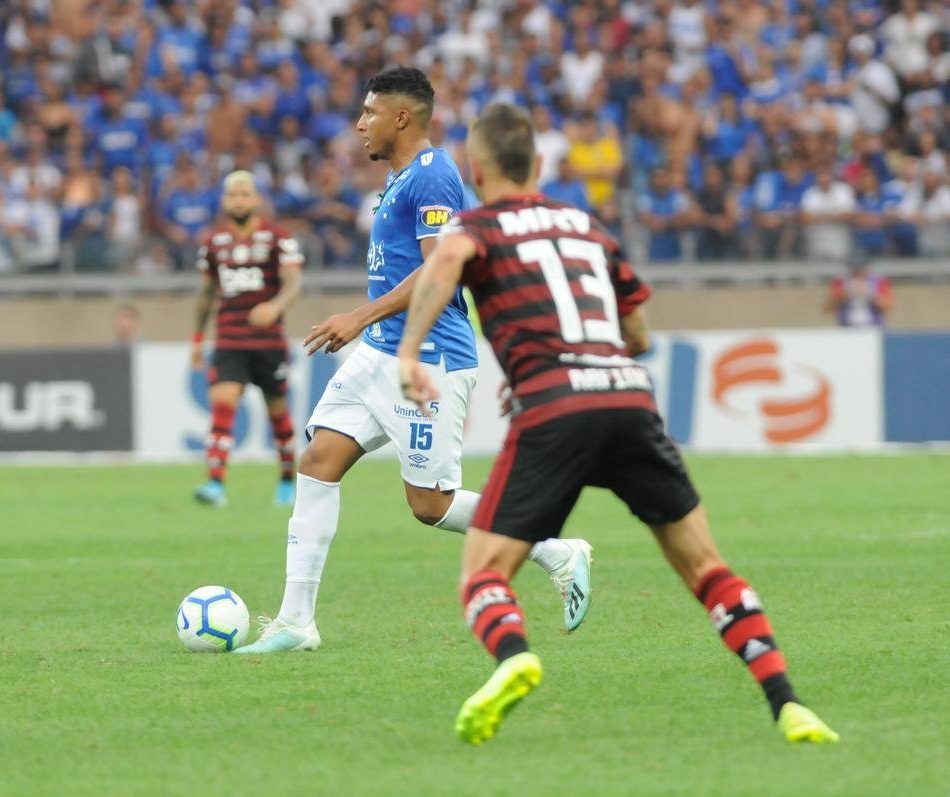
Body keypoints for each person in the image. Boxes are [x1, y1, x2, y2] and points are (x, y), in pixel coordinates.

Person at [397, 103, 838, 747]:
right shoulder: (588, 227)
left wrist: (410, 353)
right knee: (707, 570)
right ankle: (788, 703)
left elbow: (444, 262)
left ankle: (514, 656)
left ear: (477, 170)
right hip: (628, 399)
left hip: (554, 407)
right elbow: (639, 334)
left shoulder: (477, 225)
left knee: (484, 576)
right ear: (539, 164)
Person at [237, 68, 593, 655]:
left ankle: (556, 551)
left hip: (430, 359)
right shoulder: (401, 177)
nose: (360, 124)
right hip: (381, 352)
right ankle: (296, 622)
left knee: (431, 505)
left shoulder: (433, 174)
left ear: (401, 117)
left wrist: (360, 316)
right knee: (318, 461)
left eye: (370, 112)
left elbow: (439, 268)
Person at [191, 170, 304, 507]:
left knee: (278, 415)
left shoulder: (277, 238)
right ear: (224, 201)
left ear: (256, 199)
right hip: (229, 340)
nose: (238, 201)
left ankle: (287, 482)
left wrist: (276, 306)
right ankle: (215, 484)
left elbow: (294, 282)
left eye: (244, 195)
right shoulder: (213, 243)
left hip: (268, 343)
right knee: (222, 407)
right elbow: (206, 294)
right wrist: (197, 339)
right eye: (232, 195)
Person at [826, 253, 894, 327]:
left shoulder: (878, 281)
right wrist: (844, 295)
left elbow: (889, 306)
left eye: (861, 268)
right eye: (855, 268)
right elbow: (828, 308)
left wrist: (870, 294)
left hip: (873, 326)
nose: (858, 271)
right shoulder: (841, 281)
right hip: (847, 327)